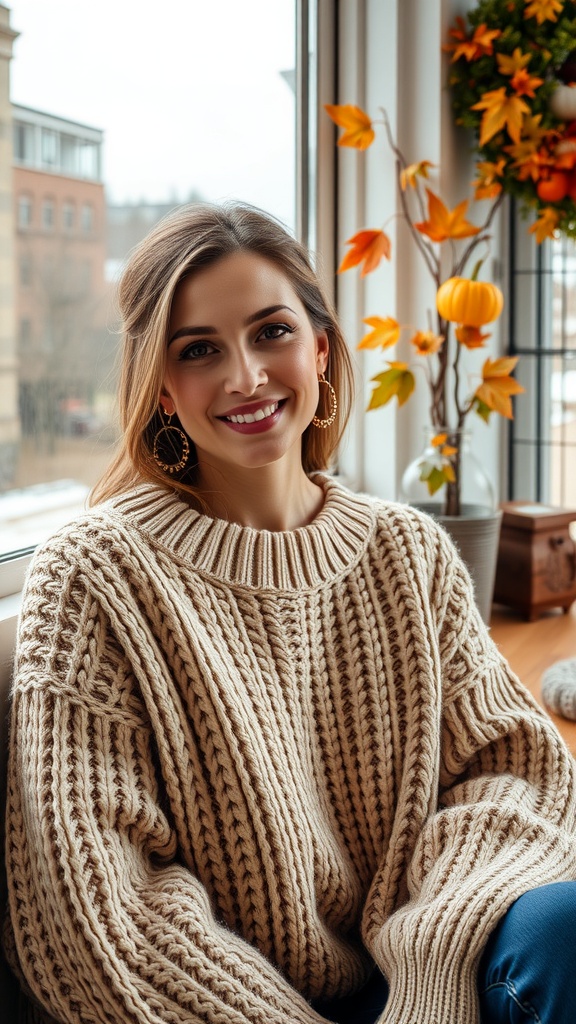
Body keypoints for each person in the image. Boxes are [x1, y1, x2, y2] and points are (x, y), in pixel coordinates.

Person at [4, 201, 576, 1024]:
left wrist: (432, 962)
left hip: (429, 979)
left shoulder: (405, 551)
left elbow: (513, 768)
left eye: (271, 331)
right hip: (224, 1006)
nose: (246, 376)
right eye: (200, 350)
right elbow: (102, 910)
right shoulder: (94, 576)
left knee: (563, 929)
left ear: (320, 348)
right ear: (162, 389)